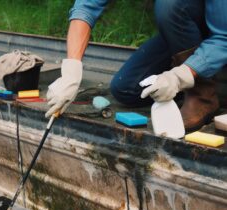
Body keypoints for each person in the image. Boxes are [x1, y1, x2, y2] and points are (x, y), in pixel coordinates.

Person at [45, 0, 227, 132]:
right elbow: (86, 6)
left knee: (169, 5)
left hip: (219, 33)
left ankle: (203, 95)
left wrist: (179, 77)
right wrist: (72, 71)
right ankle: (185, 83)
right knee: (127, 88)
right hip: (186, 31)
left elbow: (223, 37)